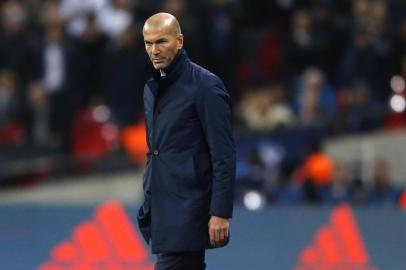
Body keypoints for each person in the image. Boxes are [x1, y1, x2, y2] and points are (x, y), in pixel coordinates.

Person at [137, 12, 236, 270]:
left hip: (190, 210)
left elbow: (223, 154)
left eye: (161, 41)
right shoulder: (151, 88)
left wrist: (220, 212)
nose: (154, 50)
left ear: (179, 41)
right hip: (162, 208)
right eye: (148, 43)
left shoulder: (205, 86)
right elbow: (156, 150)